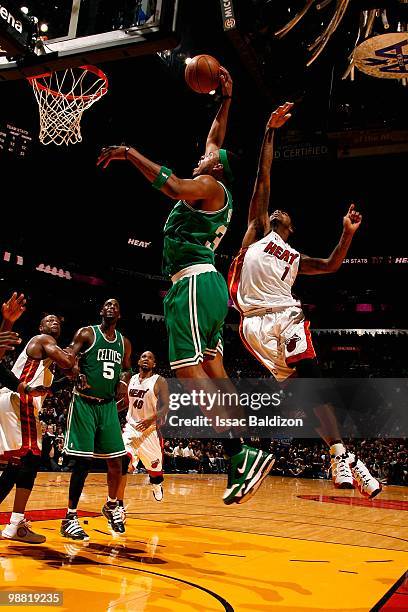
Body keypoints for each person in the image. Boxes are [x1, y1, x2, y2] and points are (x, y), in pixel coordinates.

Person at [96, 71, 275, 505]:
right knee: (215, 371)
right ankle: (244, 449)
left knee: (186, 372)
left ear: (216, 169)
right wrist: (227, 98)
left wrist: (128, 152)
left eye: (210, 158)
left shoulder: (210, 186)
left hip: (192, 283)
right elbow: (215, 136)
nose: (203, 155)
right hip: (207, 286)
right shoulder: (215, 179)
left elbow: (172, 183)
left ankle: (239, 453)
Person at [228, 102, 381, 499]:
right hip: (253, 324)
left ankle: (342, 456)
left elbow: (331, 265)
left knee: (311, 375)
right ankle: (343, 454)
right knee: (305, 392)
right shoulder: (258, 232)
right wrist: (269, 130)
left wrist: (347, 233)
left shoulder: (294, 257)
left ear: (291, 228)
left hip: (287, 315)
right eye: (274, 211)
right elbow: (263, 179)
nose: (276, 211)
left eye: (284, 214)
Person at [0, 293, 76, 543]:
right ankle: (15, 523)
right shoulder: (42, 340)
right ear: (41, 328)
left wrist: (69, 379)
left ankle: (14, 525)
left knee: (17, 466)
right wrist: (78, 350)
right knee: (31, 460)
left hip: (15, 400)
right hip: (18, 400)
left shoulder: (45, 360)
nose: (54, 323)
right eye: (49, 320)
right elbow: (68, 362)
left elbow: (50, 387)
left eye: (58, 321)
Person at [61, 299, 132, 540]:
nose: (111, 307)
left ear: (119, 314)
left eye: (115, 305)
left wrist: (123, 382)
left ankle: (112, 505)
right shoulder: (87, 333)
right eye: (107, 305)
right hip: (84, 402)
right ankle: (70, 517)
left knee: (118, 462)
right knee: (82, 463)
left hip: (108, 406)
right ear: (101, 311)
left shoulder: (124, 343)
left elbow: (126, 368)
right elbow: (67, 356)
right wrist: (74, 373)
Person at [117, 351, 169, 518]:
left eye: (150, 357)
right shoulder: (131, 379)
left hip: (150, 432)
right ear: (138, 361)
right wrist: (109, 409)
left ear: (154, 364)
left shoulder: (159, 381)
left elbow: (166, 407)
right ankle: (119, 507)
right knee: (122, 462)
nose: (146, 359)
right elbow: (126, 402)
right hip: (131, 429)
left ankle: (156, 483)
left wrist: (150, 419)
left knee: (155, 472)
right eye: (143, 356)